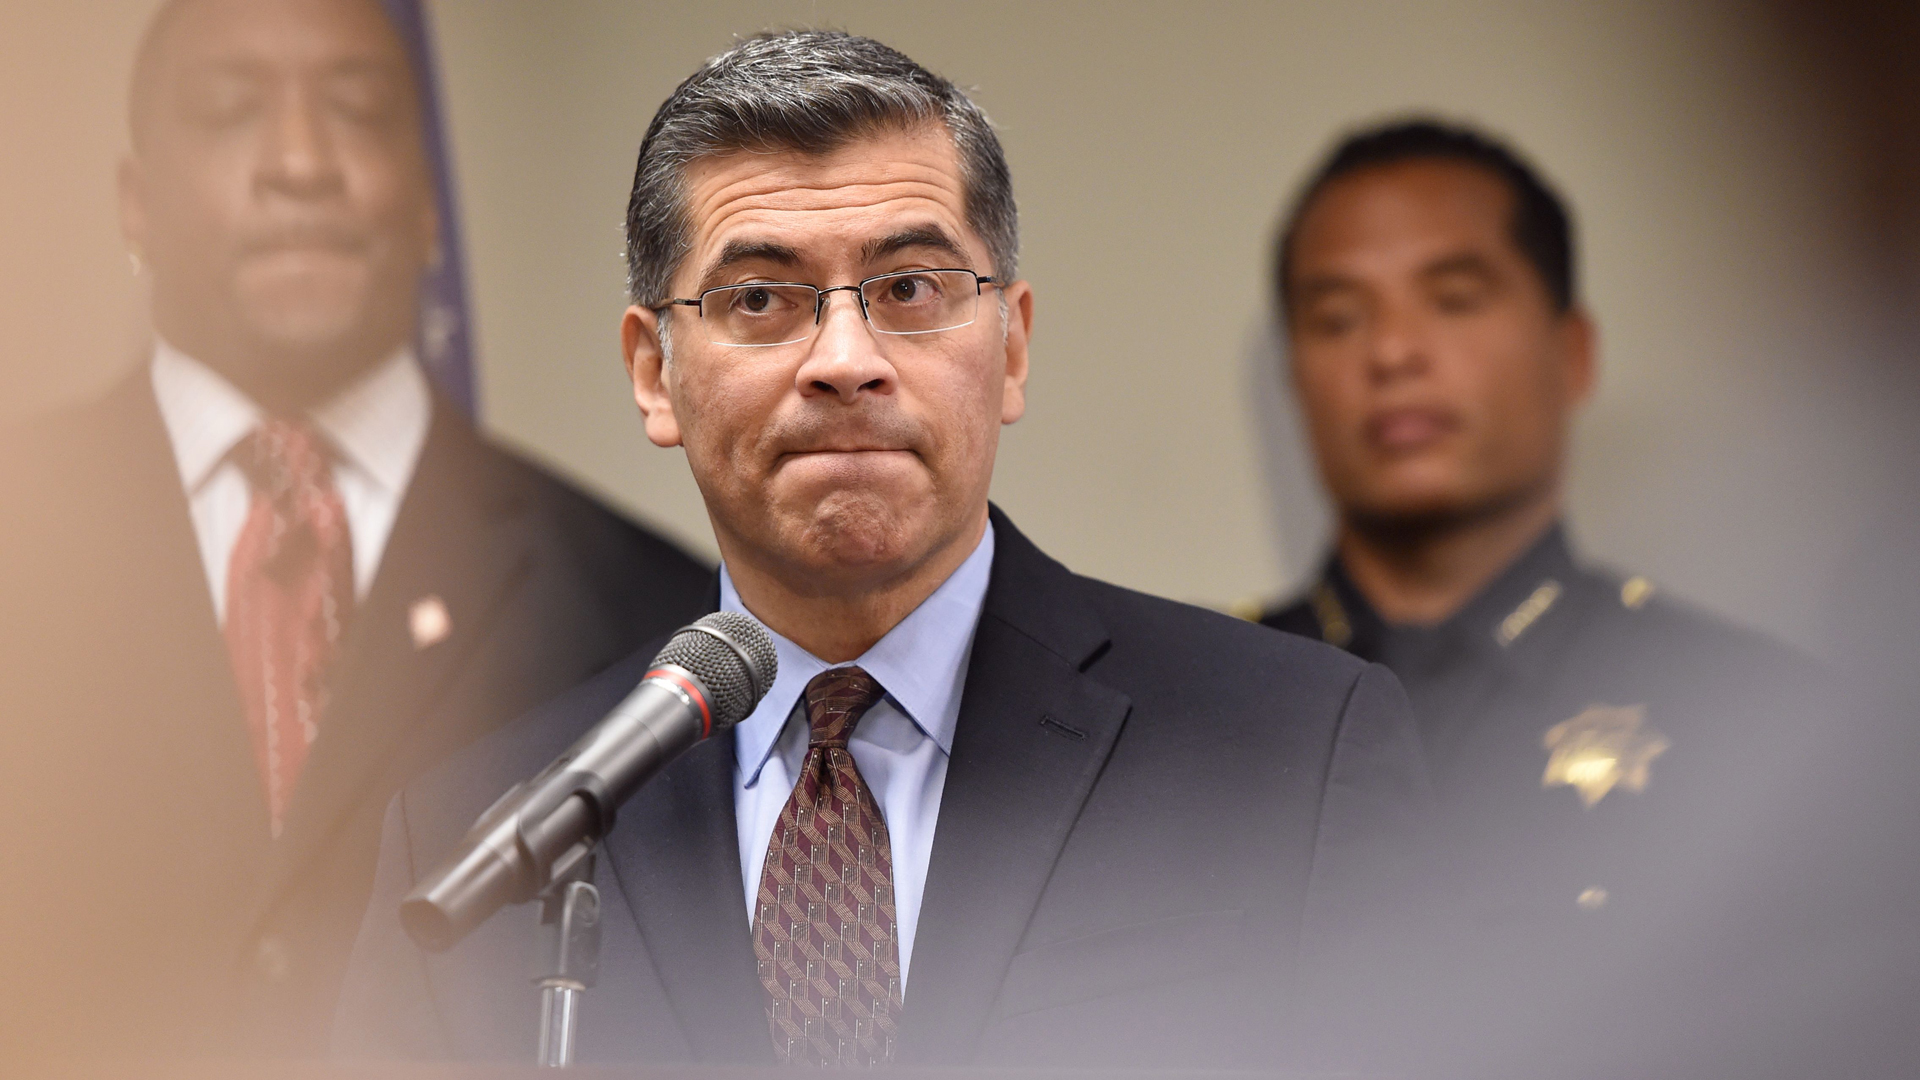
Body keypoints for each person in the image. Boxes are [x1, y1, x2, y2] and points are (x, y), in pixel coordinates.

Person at [335, 30, 1429, 1071]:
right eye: (761, 298)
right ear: (653, 374)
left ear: (1012, 349)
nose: (846, 360)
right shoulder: (476, 843)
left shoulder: (1297, 758)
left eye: (909, 289)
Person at [0, 0, 710, 1063]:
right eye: (233, 109)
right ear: (135, 204)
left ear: (431, 202)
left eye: (357, 108)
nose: (300, 161)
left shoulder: (658, 624)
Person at [1256, 119, 1834, 1075]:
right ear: (1295, 380)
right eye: (1338, 316)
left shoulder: (1768, 728)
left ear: (1572, 353)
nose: (1394, 351)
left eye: (1453, 299)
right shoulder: (1189, 716)